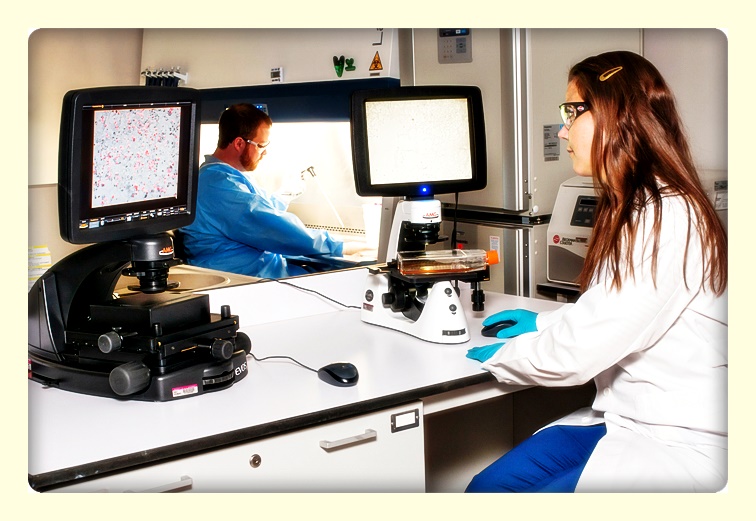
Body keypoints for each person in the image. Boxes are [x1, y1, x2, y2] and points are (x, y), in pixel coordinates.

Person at [465, 50, 728, 493]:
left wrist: (501, 358)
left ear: (616, 114)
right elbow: (616, 309)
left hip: (680, 436)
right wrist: (543, 323)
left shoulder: (669, 216)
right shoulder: (634, 204)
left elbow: (578, 354)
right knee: (485, 489)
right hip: (626, 418)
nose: (562, 130)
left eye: (572, 112)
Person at [179, 103, 365, 279]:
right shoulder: (218, 184)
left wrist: (288, 193)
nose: (265, 153)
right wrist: (339, 247)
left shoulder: (222, 176)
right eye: (261, 146)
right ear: (239, 143)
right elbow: (269, 226)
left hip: (261, 271)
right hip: (247, 279)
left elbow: (261, 209)